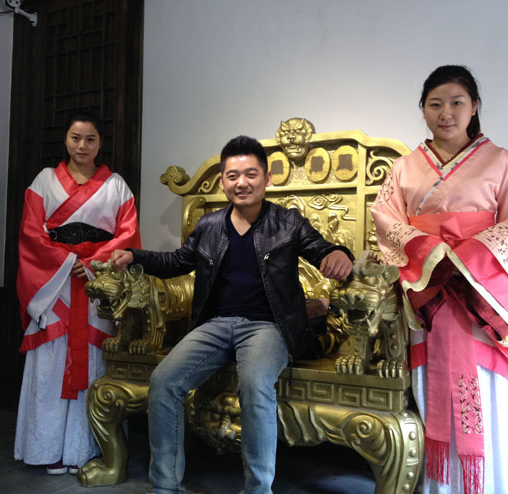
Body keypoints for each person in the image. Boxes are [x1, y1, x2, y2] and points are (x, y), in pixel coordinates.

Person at [110, 135, 354, 494]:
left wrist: (339, 253)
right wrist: (136, 256)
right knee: (163, 382)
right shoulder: (209, 226)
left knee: (254, 384)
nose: (242, 183)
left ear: (267, 178)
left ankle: (257, 490)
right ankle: (165, 486)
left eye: (251, 174)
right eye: (233, 175)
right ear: (223, 182)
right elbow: (177, 262)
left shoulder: (288, 222)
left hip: (268, 326)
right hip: (215, 325)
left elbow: (321, 249)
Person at [370, 65, 508, 494]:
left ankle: (494, 484)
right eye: (435, 104)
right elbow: (386, 219)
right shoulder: (404, 168)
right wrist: (432, 256)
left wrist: (465, 260)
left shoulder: (501, 161)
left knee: (490, 393)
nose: (446, 113)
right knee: (432, 390)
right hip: (428, 293)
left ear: (474, 107)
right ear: (423, 111)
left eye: (456, 102)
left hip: (482, 295)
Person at [14, 111, 141, 474]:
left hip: (97, 285)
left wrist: (92, 263)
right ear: (65, 140)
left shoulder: (116, 185)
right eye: (75, 138)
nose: (82, 145)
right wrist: (66, 261)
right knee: (50, 366)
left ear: (100, 143)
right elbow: (31, 233)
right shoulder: (43, 181)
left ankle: (85, 449)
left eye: (90, 139)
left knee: (96, 365)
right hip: (54, 286)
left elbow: (127, 235)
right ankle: (47, 449)